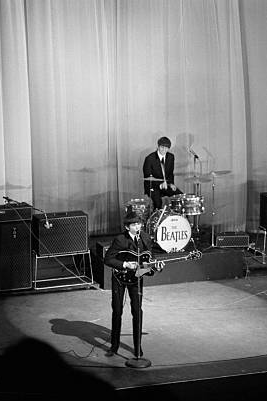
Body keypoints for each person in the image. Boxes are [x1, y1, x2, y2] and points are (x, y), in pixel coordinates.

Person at [103, 212, 163, 357]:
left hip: (136, 278)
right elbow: (108, 259)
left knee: (137, 311)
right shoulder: (120, 240)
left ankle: (137, 346)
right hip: (119, 278)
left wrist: (155, 267)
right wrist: (125, 264)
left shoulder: (146, 238)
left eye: (139, 224)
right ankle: (114, 346)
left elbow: (149, 259)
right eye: (134, 224)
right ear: (127, 227)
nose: (138, 227)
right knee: (117, 311)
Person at [143, 136, 182, 210]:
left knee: (180, 197)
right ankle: (157, 220)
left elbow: (170, 173)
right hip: (153, 186)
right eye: (162, 147)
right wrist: (160, 185)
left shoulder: (171, 157)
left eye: (167, 148)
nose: (164, 150)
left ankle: (178, 220)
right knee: (158, 202)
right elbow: (147, 178)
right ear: (158, 146)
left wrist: (171, 184)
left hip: (166, 185)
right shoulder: (149, 159)